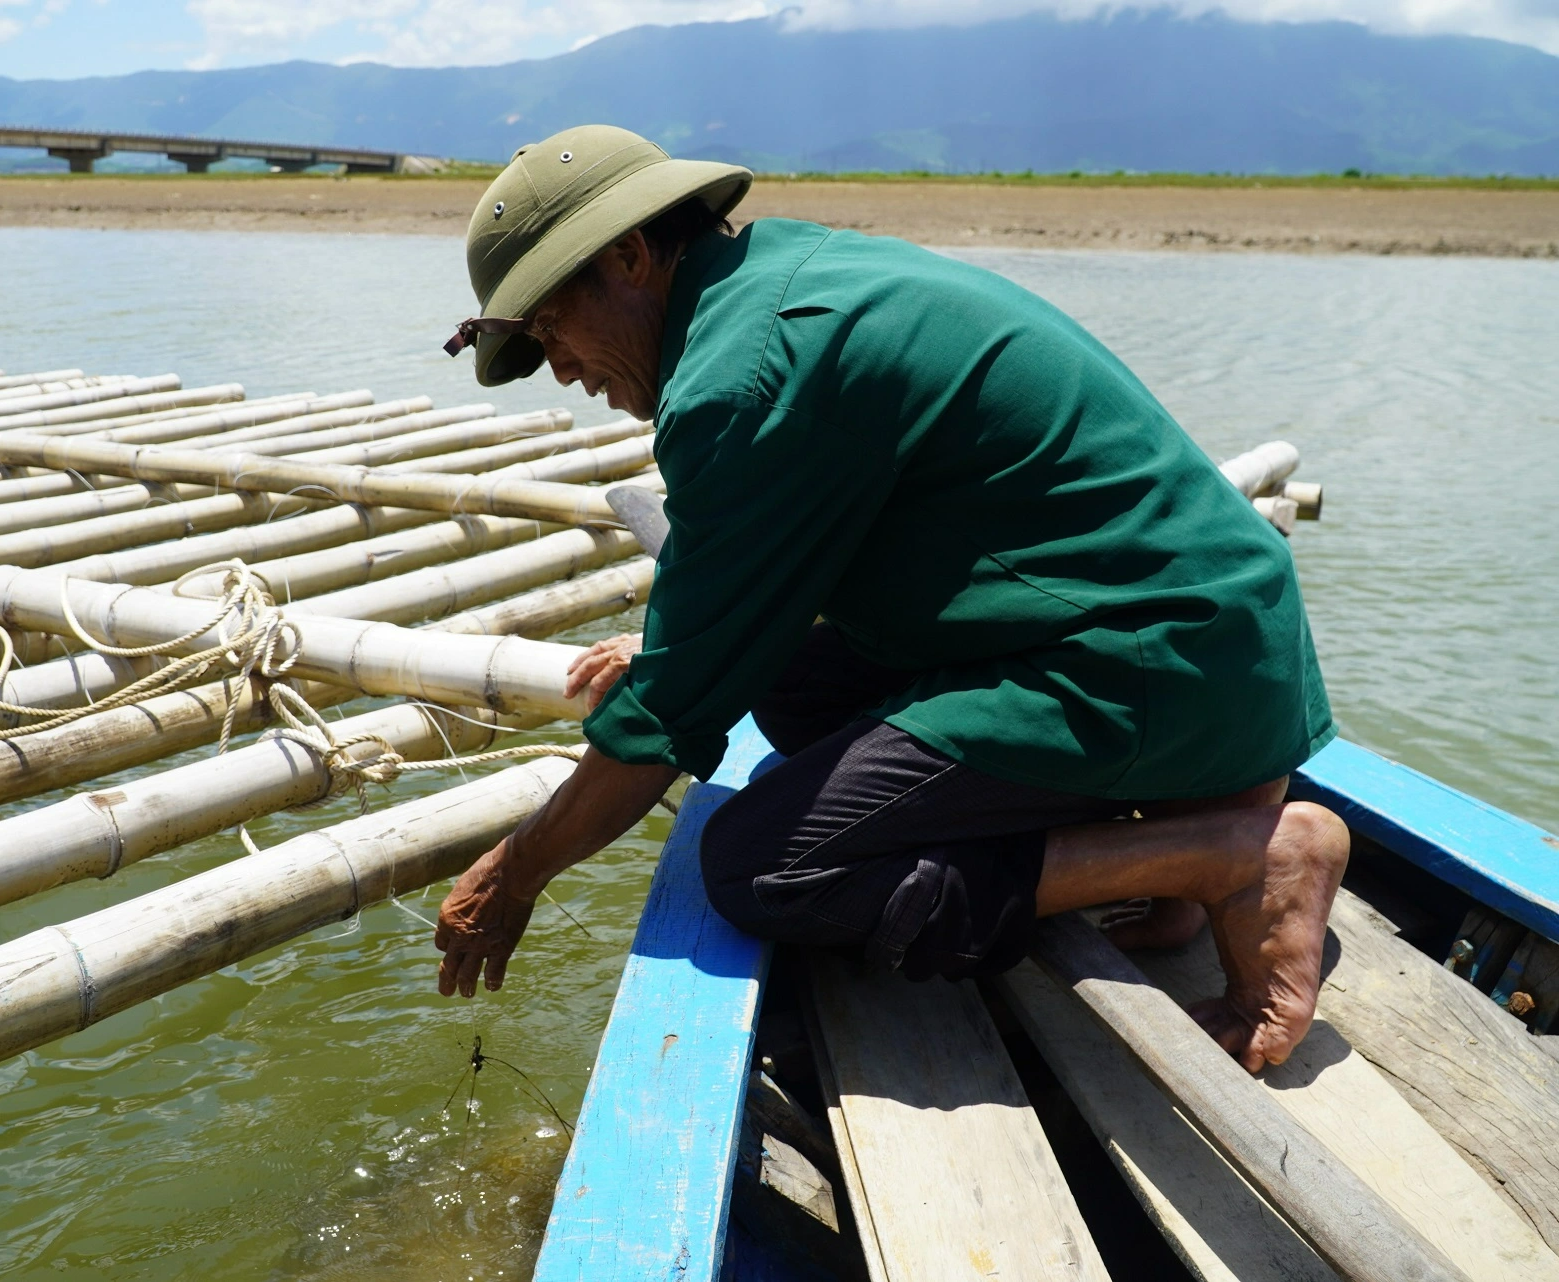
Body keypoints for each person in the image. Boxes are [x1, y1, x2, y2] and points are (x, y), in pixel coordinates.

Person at [432, 125, 1346, 1073]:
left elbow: (665, 722)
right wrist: (685, 654)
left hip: (1161, 666)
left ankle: (1233, 858)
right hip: (1210, 643)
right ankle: (1169, 848)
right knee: (784, 684)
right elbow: (747, 601)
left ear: (628, 256)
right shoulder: (784, 281)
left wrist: (517, 871)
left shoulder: (738, 379)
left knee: (763, 866)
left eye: (552, 330)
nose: (566, 370)